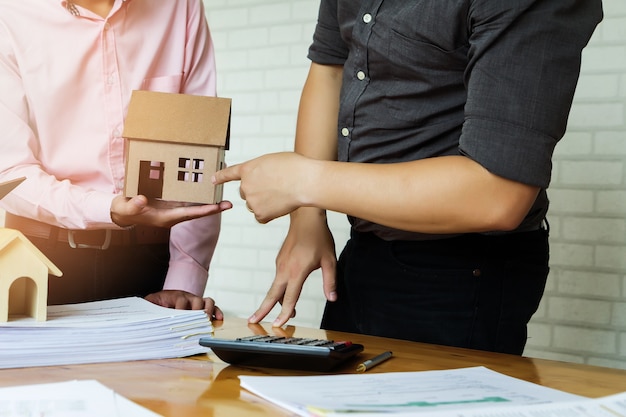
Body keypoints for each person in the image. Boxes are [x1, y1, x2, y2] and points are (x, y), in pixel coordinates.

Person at [212, 0, 603, 354]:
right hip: (365, 250)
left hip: (465, 268)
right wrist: (307, 219)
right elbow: (330, 68)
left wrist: (303, 184)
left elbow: (497, 194)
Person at [0, 0, 232, 316]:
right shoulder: (9, 13)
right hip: (38, 260)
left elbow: (199, 153)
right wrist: (108, 209)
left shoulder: (180, 6)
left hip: (152, 263)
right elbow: (11, 174)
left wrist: (184, 281)